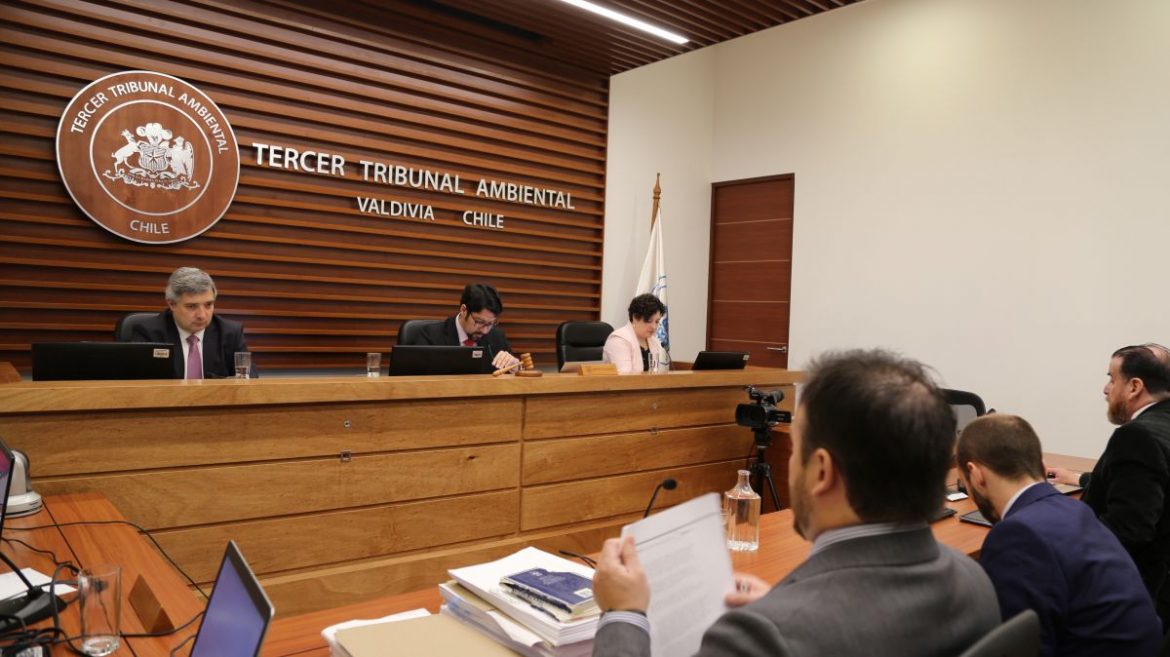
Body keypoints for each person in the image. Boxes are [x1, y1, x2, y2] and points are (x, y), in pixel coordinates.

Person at [591, 349, 1000, 657]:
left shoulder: (762, 639)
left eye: (794, 450)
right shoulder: (976, 582)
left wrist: (624, 614)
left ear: (821, 471)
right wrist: (782, 606)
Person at [956, 414, 1161, 657]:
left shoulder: (1016, 535)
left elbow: (1021, 647)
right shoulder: (1076, 510)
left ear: (976, 475)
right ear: (1042, 466)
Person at [1047, 343, 1170, 627]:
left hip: (1138, 598)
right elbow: (1148, 485)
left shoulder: (1136, 437)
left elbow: (1129, 530)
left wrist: (1059, 533)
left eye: (1112, 379)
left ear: (1134, 387)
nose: (1106, 389)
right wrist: (1079, 479)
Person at [124, 267, 251, 379]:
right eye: (191, 306)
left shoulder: (230, 333)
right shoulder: (148, 333)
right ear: (172, 304)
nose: (202, 315)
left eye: (208, 305)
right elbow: (137, 384)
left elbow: (249, 380)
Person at [408, 283, 518, 372]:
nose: (485, 331)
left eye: (491, 323)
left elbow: (513, 374)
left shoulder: (497, 337)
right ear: (463, 310)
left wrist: (515, 368)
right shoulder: (430, 336)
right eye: (479, 322)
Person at [603, 293, 666, 373]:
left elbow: (656, 373)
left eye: (657, 321)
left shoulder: (654, 341)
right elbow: (624, 376)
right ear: (635, 317)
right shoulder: (618, 340)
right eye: (649, 321)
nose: (654, 327)